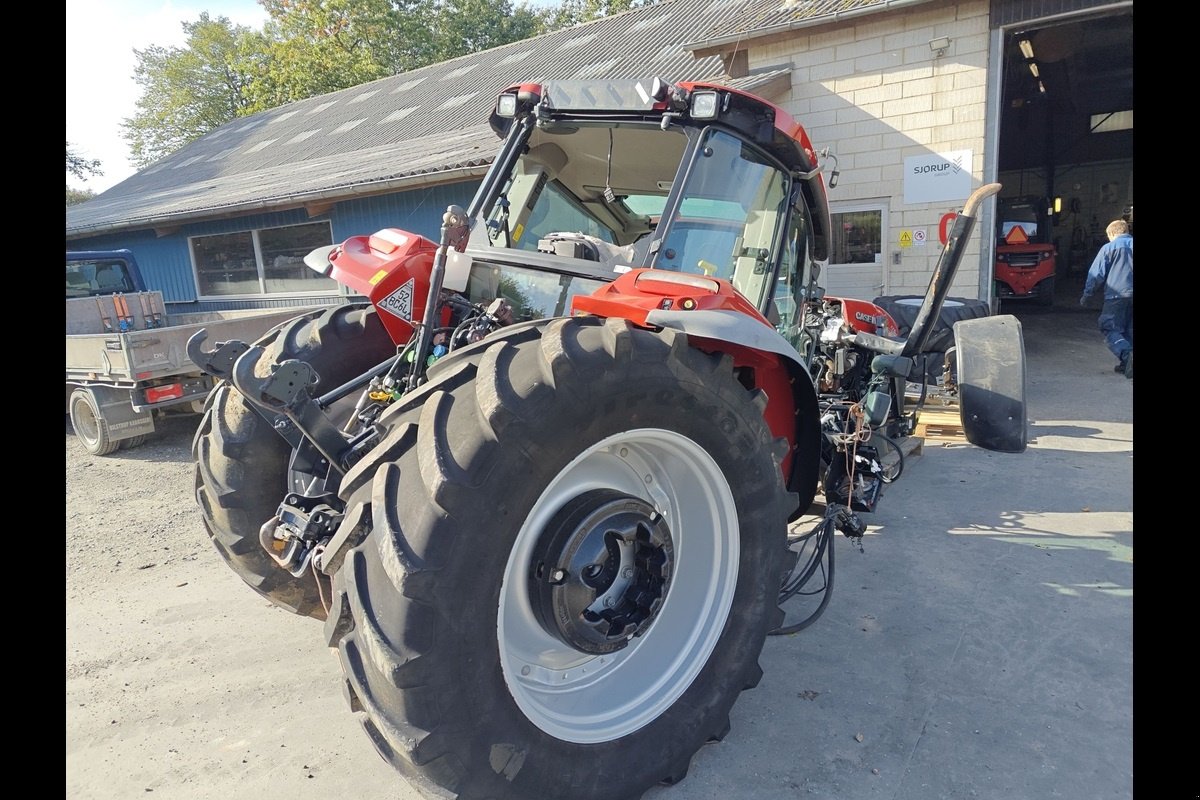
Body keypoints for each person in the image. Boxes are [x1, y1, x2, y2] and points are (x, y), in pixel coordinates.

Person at [1080, 219, 1133, 379]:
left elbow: (1096, 274)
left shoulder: (1109, 248)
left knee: (1110, 328)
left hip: (1116, 296)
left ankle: (1127, 355)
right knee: (1129, 330)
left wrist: (1087, 295)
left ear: (1112, 233)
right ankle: (1127, 365)